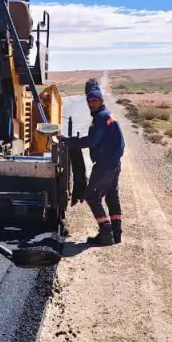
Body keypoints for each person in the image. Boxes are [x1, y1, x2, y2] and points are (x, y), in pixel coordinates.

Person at [60, 86, 125, 245]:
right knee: (111, 195)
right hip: (113, 162)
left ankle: (106, 232)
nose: (91, 104)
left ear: (101, 101)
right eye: (89, 101)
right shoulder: (106, 115)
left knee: (91, 195)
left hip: (106, 163)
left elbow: (91, 141)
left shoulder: (101, 117)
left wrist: (68, 142)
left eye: (94, 100)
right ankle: (116, 233)